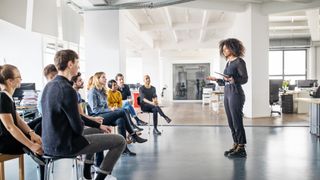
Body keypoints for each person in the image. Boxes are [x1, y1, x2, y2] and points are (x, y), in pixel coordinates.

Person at [41, 49, 126, 180]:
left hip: (50, 143)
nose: (78, 67)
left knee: (99, 130)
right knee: (120, 141)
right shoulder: (67, 89)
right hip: (65, 145)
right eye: (77, 63)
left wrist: (98, 125)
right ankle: (100, 178)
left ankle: (87, 169)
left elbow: (74, 116)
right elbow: (78, 129)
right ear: (70, 64)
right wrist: (84, 124)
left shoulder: (49, 86)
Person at [0, 64, 45, 179]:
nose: (21, 79)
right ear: (10, 81)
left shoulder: (8, 96)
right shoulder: (2, 97)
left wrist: (32, 133)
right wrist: (31, 145)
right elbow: (10, 127)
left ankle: (40, 154)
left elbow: (19, 121)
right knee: (41, 126)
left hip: (10, 137)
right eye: (19, 76)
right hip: (5, 142)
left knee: (42, 120)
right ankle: (39, 155)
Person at [87, 72, 147, 156]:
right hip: (97, 117)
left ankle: (124, 149)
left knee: (121, 120)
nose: (106, 79)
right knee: (122, 111)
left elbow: (106, 105)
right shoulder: (92, 92)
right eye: (103, 77)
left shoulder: (102, 91)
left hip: (105, 114)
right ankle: (133, 135)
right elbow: (95, 110)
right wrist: (110, 110)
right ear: (98, 79)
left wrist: (110, 109)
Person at [207, 38, 248, 158]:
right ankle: (236, 144)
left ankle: (241, 147)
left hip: (236, 94)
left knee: (237, 121)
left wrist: (233, 79)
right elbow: (226, 82)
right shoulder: (228, 62)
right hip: (228, 92)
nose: (224, 51)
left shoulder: (239, 62)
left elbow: (244, 79)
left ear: (233, 48)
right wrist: (217, 80)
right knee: (231, 122)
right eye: (223, 49)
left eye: (226, 48)